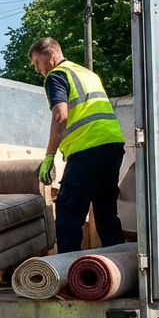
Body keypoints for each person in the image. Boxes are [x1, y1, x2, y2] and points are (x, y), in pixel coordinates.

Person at [29, 37, 127, 253]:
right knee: (106, 211)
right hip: (112, 144)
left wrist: (49, 156)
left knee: (68, 210)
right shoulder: (87, 74)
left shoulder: (56, 75)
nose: (37, 69)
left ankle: (68, 275)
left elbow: (60, 116)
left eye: (37, 63)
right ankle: (122, 271)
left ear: (51, 57)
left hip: (87, 148)